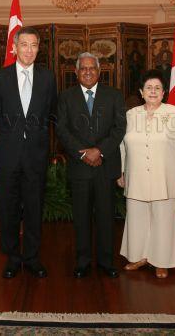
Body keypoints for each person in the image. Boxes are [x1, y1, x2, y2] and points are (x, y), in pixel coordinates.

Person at [0, 26, 57, 279]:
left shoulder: (48, 77)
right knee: (7, 208)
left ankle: (31, 257)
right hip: (8, 155)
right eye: (24, 45)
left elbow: (52, 113)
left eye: (34, 45)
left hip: (36, 156)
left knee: (33, 208)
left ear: (39, 49)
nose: (29, 50)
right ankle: (12, 257)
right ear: (14, 47)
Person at [117, 69, 175, 279]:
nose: (153, 91)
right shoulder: (131, 115)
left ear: (164, 92)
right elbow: (122, 146)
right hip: (137, 175)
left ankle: (161, 261)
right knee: (137, 217)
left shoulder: (174, 113)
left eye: (157, 88)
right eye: (148, 88)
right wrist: (121, 171)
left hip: (166, 176)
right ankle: (138, 256)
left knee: (164, 219)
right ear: (141, 92)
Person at [56, 52, 126, 279]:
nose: (87, 72)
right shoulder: (66, 97)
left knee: (106, 216)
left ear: (99, 71)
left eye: (92, 68)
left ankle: (106, 262)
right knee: (82, 217)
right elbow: (62, 130)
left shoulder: (114, 96)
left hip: (105, 166)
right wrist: (84, 153)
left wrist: (99, 150)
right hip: (80, 167)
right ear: (76, 73)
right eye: (83, 69)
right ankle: (83, 261)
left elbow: (119, 128)